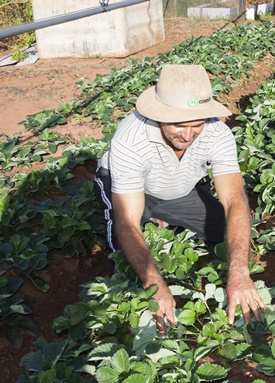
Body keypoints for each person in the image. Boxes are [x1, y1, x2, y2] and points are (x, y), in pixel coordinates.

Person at [94, 64, 264, 334]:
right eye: (178, 125)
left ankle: (163, 219)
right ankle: (153, 222)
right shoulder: (131, 139)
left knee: (225, 231)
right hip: (132, 191)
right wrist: (154, 284)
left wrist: (240, 273)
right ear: (159, 115)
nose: (187, 135)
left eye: (196, 125)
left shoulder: (217, 133)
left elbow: (235, 201)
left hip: (177, 190)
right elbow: (127, 220)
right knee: (123, 255)